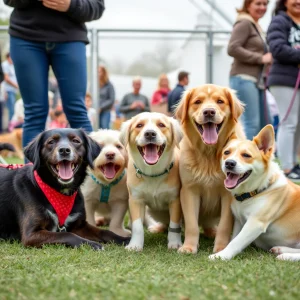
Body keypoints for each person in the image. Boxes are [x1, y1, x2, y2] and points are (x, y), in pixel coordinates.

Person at [4, 0, 105, 150]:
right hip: (25, 37)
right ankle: (31, 172)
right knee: (34, 112)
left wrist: (71, 5)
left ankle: (92, 171)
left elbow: (97, 7)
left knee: (77, 109)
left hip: (70, 39)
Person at [228, 0, 272, 140]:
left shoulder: (256, 26)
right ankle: (246, 158)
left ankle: (260, 157)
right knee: (252, 124)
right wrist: (260, 58)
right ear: (248, 5)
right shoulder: (244, 23)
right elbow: (232, 48)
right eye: (258, 3)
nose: (262, 7)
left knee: (265, 123)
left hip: (257, 81)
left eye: (265, 4)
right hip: (243, 78)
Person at [267, 0, 300, 182]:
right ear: (284, 2)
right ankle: (286, 167)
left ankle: (294, 164)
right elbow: (278, 49)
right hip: (284, 79)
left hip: (297, 80)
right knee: (288, 122)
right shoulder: (280, 21)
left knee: (298, 125)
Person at [1, 53, 18, 122]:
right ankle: (11, 126)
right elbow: (6, 78)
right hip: (7, 90)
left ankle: (10, 124)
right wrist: (16, 85)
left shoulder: (12, 65)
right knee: (11, 109)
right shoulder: (5, 65)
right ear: (8, 57)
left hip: (12, 90)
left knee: (12, 108)